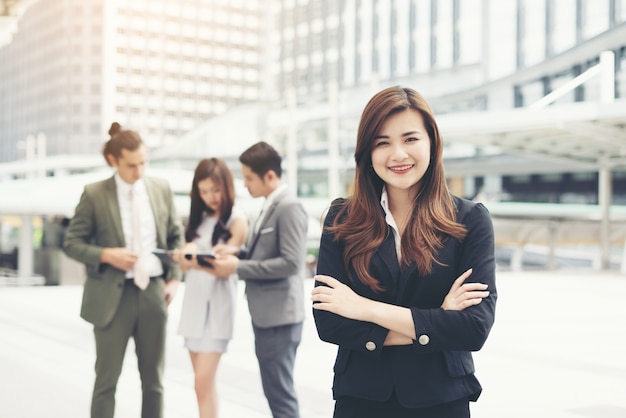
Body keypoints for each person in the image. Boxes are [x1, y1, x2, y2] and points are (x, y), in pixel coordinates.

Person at [310, 86, 497, 418]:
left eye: (410, 139)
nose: (398, 154)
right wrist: (437, 317)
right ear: (366, 151)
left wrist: (363, 308)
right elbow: (330, 323)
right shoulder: (341, 219)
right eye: (382, 142)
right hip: (361, 400)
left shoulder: (469, 219)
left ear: (431, 142)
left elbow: (473, 328)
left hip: (441, 400)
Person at [63, 122, 184, 418]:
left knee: (154, 383)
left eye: (144, 162)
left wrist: (175, 278)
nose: (139, 171)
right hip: (110, 299)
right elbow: (71, 242)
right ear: (113, 161)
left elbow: (175, 236)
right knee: (106, 383)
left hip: (154, 294)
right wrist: (106, 255)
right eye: (132, 165)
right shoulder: (93, 194)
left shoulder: (161, 188)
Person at [206, 141, 308, 418]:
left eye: (249, 178)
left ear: (270, 176)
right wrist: (236, 251)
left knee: (279, 393)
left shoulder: (289, 207)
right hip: (270, 316)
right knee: (275, 389)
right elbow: (267, 250)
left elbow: (291, 263)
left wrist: (238, 266)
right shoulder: (269, 205)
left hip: (279, 318)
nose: (245, 184)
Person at [174, 158, 248, 418]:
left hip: (217, 310)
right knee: (202, 387)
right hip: (194, 307)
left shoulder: (237, 220)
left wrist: (193, 259)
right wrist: (186, 256)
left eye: (215, 190)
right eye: (204, 191)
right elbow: (183, 268)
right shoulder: (199, 218)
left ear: (226, 187)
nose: (210, 197)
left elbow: (225, 268)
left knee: (201, 383)